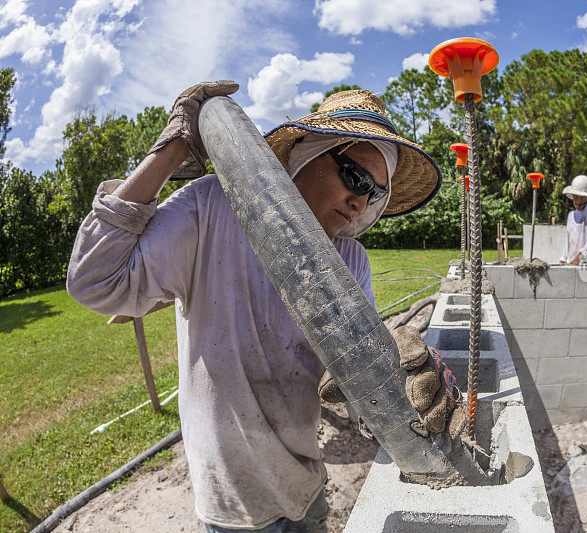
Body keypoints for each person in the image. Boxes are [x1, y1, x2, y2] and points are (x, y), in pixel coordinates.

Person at [66, 82, 463, 532]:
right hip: (232, 499)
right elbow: (96, 280)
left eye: (375, 194)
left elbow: (353, 380)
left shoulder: (351, 260)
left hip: (306, 481)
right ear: (310, 154)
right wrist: (173, 147)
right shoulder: (214, 206)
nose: (361, 201)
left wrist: (401, 376)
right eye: (355, 178)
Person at [559, 174, 587, 264]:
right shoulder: (571, 215)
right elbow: (569, 240)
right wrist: (563, 259)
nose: (578, 201)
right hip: (571, 263)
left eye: (583, 197)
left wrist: (580, 256)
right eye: (576, 197)